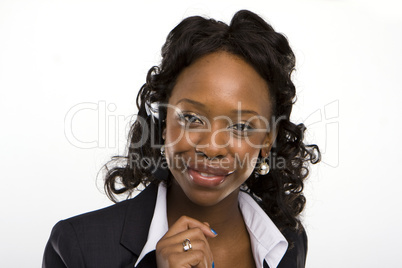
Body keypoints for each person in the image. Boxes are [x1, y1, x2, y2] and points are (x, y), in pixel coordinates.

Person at [43, 10, 320, 268]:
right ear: (164, 123)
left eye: (240, 126)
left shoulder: (287, 242)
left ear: (267, 140)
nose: (212, 147)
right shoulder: (78, 247)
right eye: (191, 118)